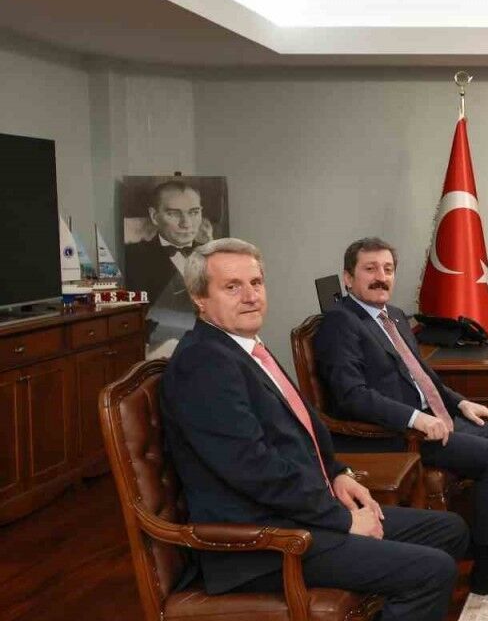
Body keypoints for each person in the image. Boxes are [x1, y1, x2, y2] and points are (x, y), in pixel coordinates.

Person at [160, 238, 468, 621]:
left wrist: (338, 474)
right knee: (432, 571)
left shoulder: (242, 346)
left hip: (301, 512)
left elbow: (301, 427)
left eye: (256, 283)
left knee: (450, 530)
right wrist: (344, 520)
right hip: (262, 543)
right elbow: (255, 471)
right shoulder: (204, 364)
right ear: (199, 298)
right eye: (232, 287)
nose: (250, 296)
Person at [314, 237, 488, 601]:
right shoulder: (340, 323)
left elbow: (422, 376)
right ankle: (487, 569)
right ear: (348, 277)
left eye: (387, 269)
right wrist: (415, 419)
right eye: (370, 269)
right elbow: (352, 396)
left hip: (434, 419)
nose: (380, 277)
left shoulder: (393, 316)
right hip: (394, 436)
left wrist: (460, 403)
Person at [125, 179, 208, 304]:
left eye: (194, 212)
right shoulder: (132, 257)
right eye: (174, 214)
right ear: (154, 216)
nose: (186, 224)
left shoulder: (215, 254)